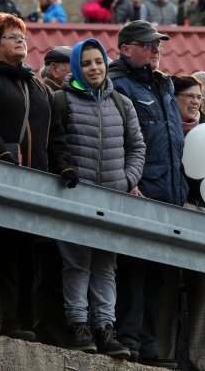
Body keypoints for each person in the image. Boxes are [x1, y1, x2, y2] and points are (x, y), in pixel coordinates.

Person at [0, 13, 77, 340]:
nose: (21, 41)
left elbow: (55, 134)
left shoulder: (36, 87)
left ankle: (16, 322)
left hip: (29, 186)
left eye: (22, 36)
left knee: (20, 255)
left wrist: (62, 166)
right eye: (12, 36)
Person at [55, 38, 145, 358]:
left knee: (106, 264)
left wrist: (127, 179)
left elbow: (137, 147)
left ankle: (105, 328)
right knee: (76, 262)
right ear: (78, 66)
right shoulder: (61, 100)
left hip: (113, 198)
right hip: (74, 196)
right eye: (88, 62)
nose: (95, 68)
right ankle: (78, 325)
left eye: (99, 62)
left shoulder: (122, 103)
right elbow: (56, 145)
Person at [108, 20, 187, 368]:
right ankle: (128, 338)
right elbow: (116, 139)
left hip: (168, 191)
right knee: (133, 269)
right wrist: (129, 180)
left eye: (159, 45)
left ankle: (149, 343)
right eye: (149, 44)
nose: (157, 49)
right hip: (138, 190)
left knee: (158, 273)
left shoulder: (165, 85)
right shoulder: (118, 85)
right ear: (126, 49)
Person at [171, 74, 205, 371]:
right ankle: (163, 358)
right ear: (175, 99)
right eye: (189, 96)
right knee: (167, 288)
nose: (194, 102)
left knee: (204, 290)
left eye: (198, 97)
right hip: (173, 213)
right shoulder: (168, 129)